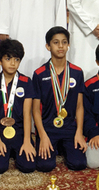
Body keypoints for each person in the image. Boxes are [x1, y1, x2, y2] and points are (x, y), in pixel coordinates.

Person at [31, 26, 87, 172]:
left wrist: (79, 132)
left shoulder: (77, 72)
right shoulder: (39, 74)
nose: (60, 46)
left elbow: (79, 106)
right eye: (56, 42)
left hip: (69, 127)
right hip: (48, 128)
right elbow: (35, 110)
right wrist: (42, 135)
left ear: (68, 45)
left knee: (79, 164)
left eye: (64, 42)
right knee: (45, 166)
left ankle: (63, 146)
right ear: (48, 46)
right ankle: (56, 145)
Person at [0, 39, 37, 174]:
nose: (13, 63)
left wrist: (27, 141)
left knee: (28, 167)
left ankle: (16, 150)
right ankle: (8, 151)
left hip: (20, 131)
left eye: (16, 59)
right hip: (1, 131)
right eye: (8, 59)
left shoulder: (26, 82)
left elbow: (27, 114)